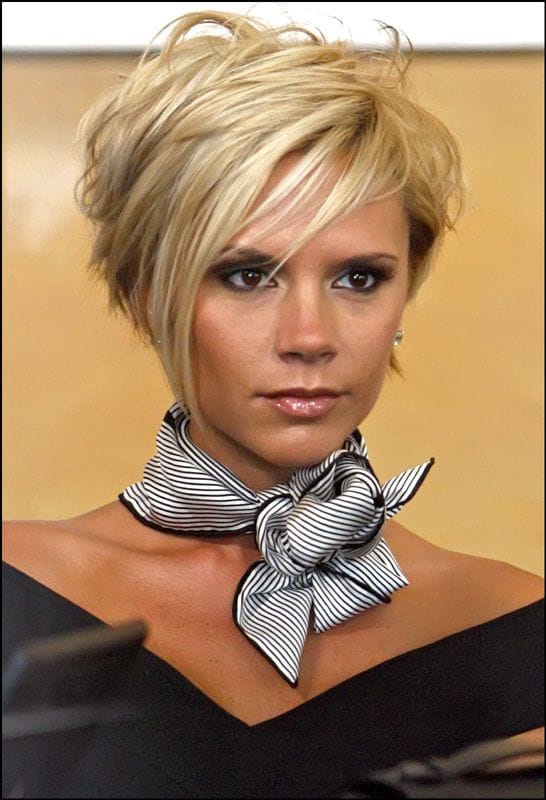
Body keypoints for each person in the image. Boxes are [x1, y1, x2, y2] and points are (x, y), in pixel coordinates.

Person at [2, 9, 543, 799]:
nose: (309, 337)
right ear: (150, 296)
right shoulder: (16, 593)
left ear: (404, 294)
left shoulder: (519, 628)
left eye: (359, 278)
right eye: (248, 275)